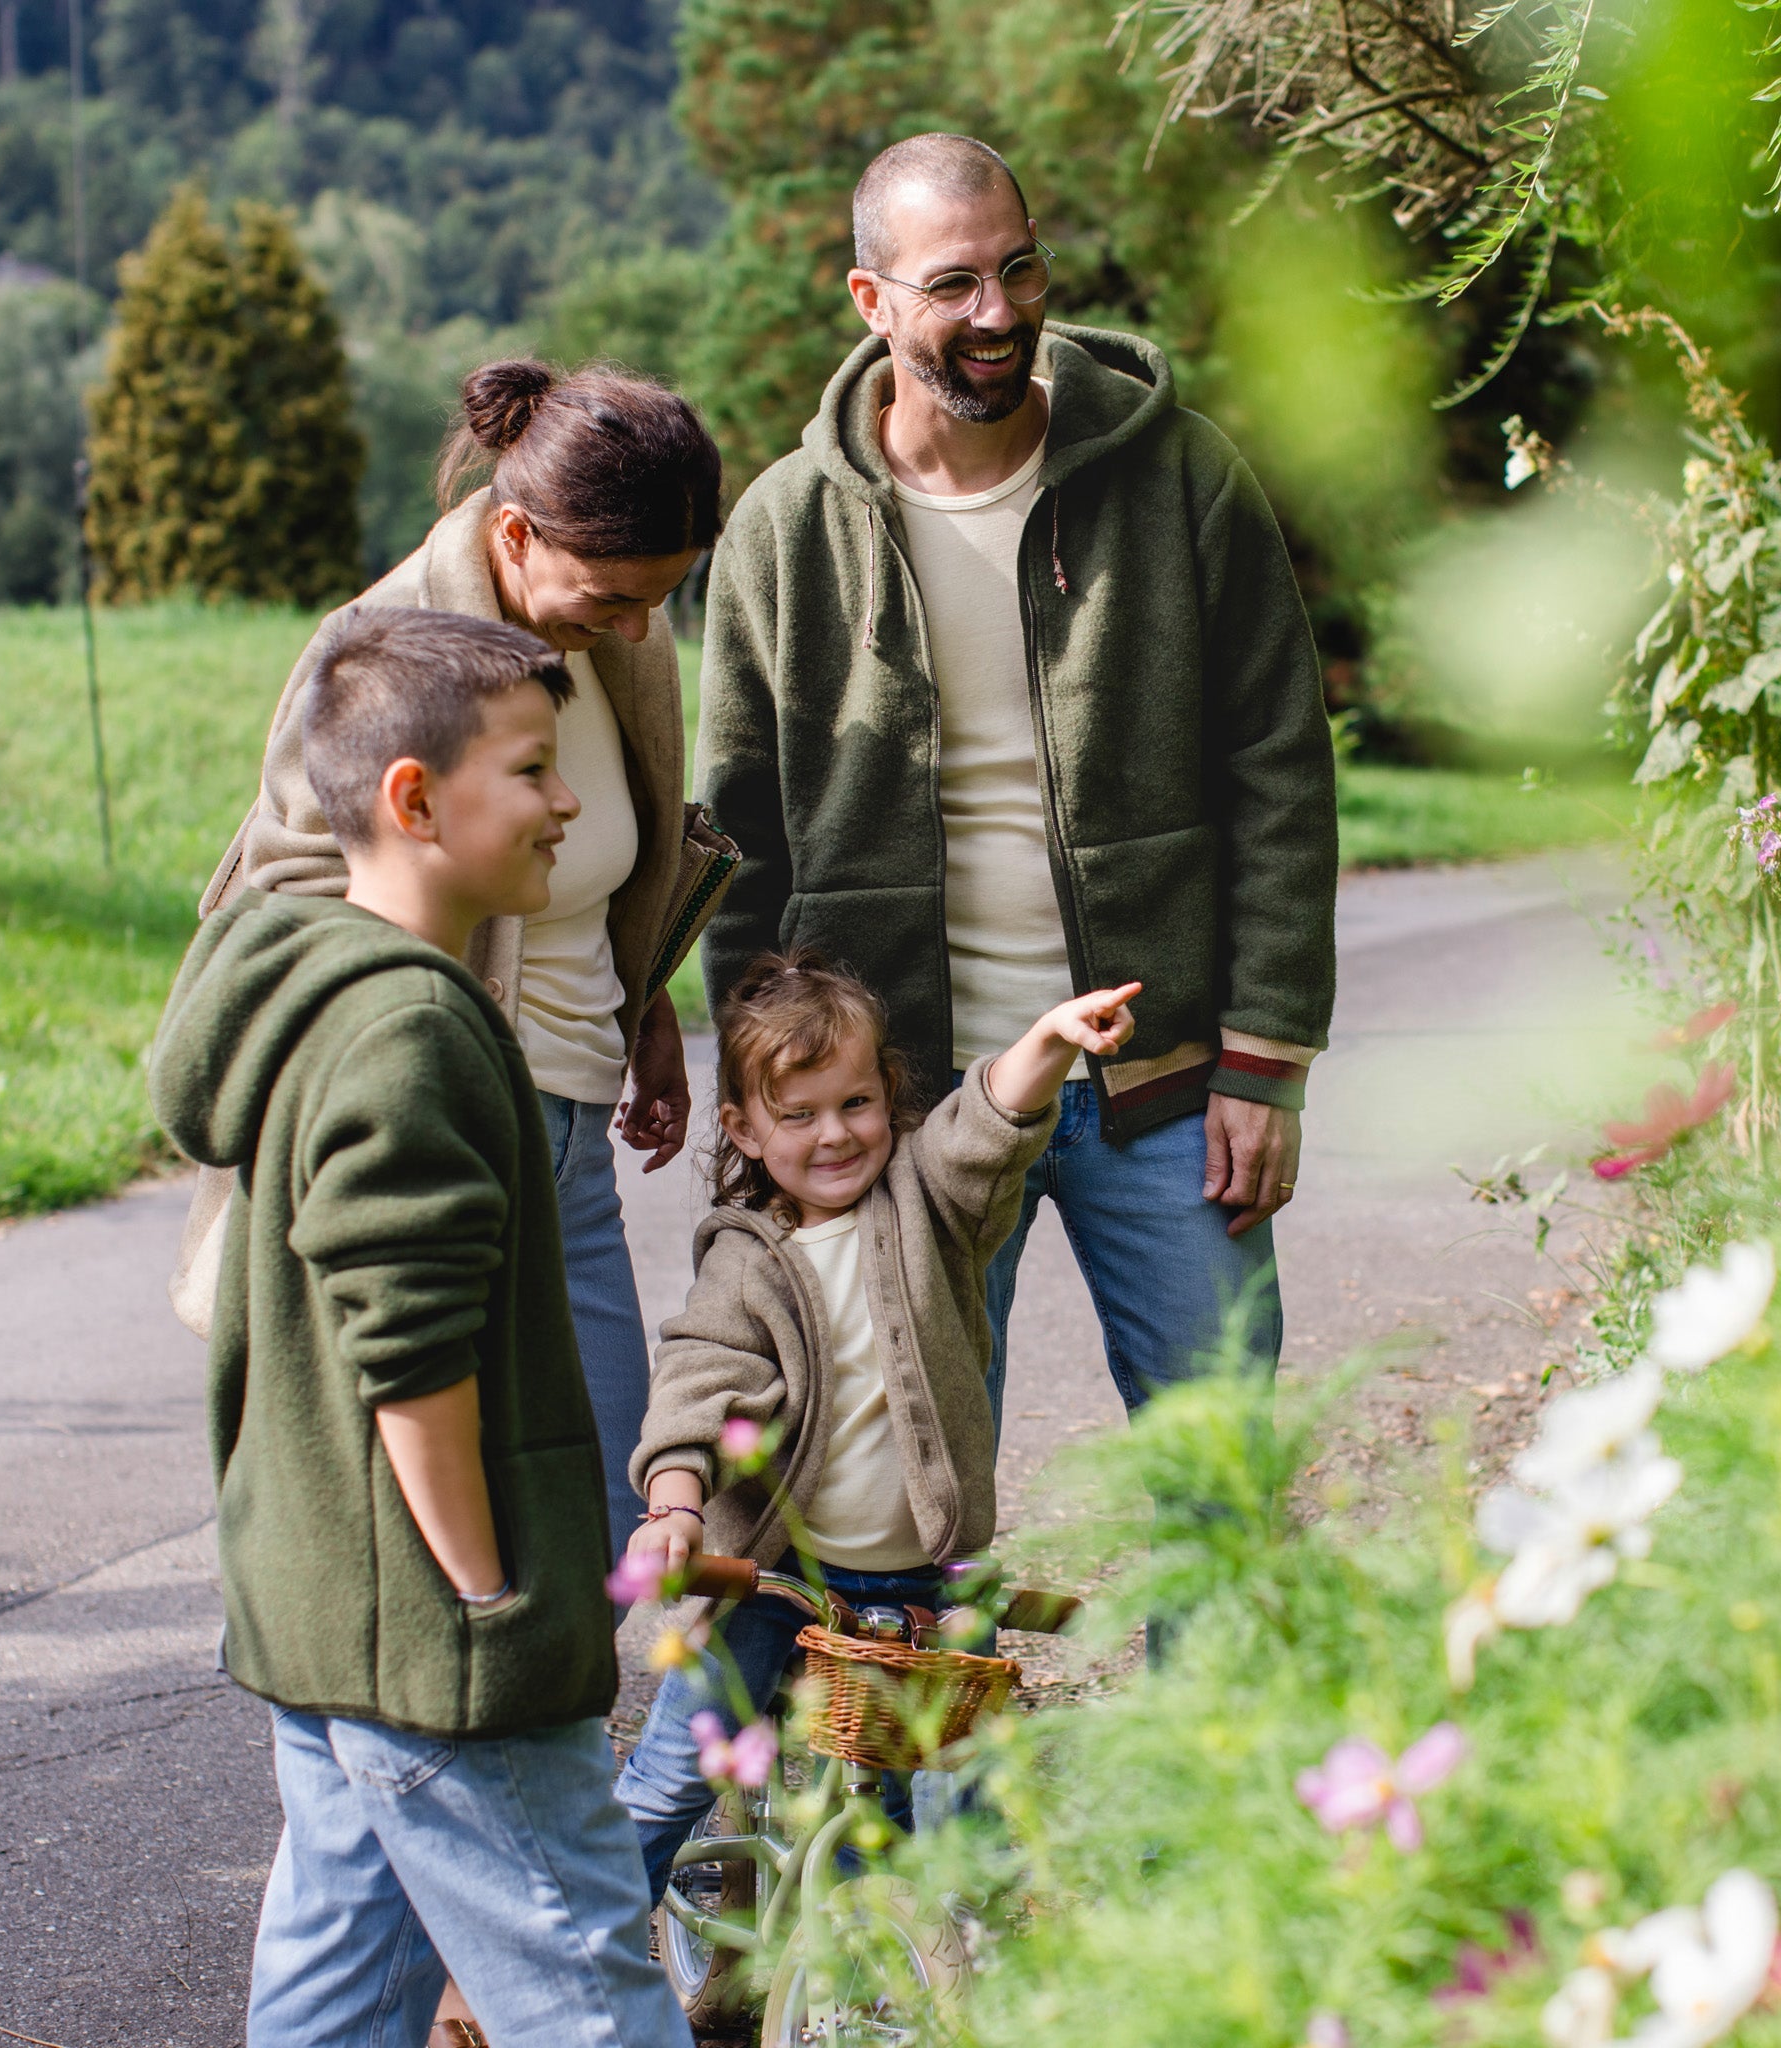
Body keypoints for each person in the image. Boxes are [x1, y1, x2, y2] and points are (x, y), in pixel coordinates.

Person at [696, 133, 1337, 1432]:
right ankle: (930, 1652)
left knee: (1221, 1469)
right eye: (953, 285)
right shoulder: (785, 529)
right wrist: (762, 1094)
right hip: (905, 1098)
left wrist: (1267, 1059)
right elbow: (741, 836)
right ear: (872, 303)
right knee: (897, 1490)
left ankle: (1210, 1655)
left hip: (1158, 1084)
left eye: (1019, 269)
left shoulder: (1180, 475)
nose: (997, 314)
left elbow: (1280, 768)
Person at [149, 607, 693, 2048]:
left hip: (328, 1617)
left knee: (341, 1993)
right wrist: (489, 1592)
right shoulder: (411, 1033)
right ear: (413, 799)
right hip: (436, 1639)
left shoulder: (312, 986)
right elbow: (410, 1353)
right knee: (590, 1996)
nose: (568, 799)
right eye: (531, 770)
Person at [185, 359, 724, 1566]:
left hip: (578, 1131)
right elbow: (288, 899)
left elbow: (607, 854)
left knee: (607, 1504)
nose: (637, 629)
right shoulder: (383, 653)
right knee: (460, 1523)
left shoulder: (618, 631)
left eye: (661, 600)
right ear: (517, 533)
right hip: (461, 1119)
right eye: (610, 600)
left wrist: (643, 1011)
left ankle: (564, 1742)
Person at [612, 950, 1139, 1897]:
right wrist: (676, 1508)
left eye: (855, 1104)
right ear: (741, 1126)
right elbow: (699, 1379)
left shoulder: (929, 1204)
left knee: (899, 1812)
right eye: (798, 1114)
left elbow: (986, 1128)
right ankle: (569, 1971)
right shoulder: (747, 1259)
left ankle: (866, 1989)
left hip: (917, 1579)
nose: (834, 1135)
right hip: (773, 1576)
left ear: (888, 1097)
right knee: (669, 1783)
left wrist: (1050, 1042)